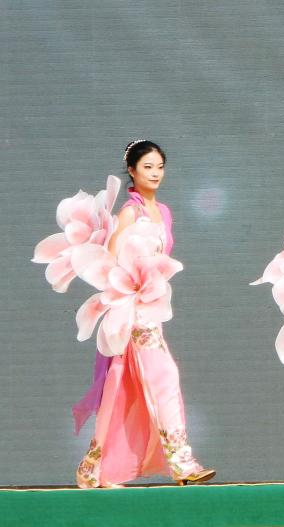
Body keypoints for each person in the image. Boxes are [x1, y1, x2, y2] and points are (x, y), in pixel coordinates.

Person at [62, 140, 214, 488]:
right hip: (131, 310)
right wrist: (125, 299)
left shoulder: (164, 211)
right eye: (147, 167)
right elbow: (111, 263)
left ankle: (93, 467)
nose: (155, 173)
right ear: (131, 171)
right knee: (165, 376)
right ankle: (182, 463)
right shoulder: (130, 213)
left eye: (160, 166)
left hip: (152, 307)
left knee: (121, 386)